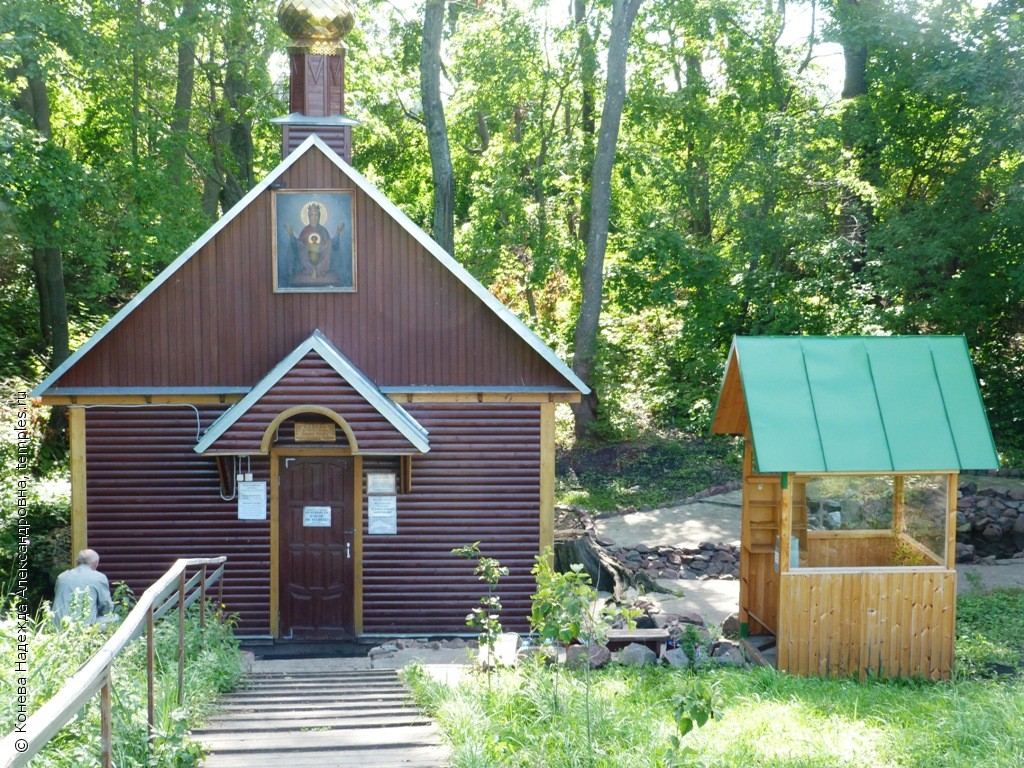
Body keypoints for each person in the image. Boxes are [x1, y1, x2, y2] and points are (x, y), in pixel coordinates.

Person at [52, 549, 116, 629]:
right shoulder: (98, 578)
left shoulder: (62, 577)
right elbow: (106, 608)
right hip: (82, 628)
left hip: (58, 627)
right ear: (96, 563)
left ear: (77, 562)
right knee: (114, 618)